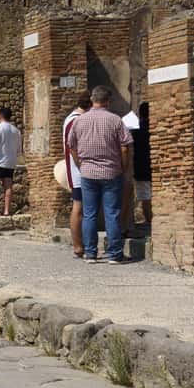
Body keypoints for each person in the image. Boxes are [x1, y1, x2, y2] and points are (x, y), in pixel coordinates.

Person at [67, 85, 134, 264]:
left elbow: (71, 146)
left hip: (88, 173)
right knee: (112, 213)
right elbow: (125, 146)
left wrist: (80, 164)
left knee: (89, 214)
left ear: (92, 100)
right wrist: (124, 167)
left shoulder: (79, 121)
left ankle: (90, 253)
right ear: (108, 101)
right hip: (112, 171)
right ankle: (114, 254)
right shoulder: (115, 120)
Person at [63, 93, 92, 258]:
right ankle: (78, 245)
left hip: (79, 170)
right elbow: (72, 146)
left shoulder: (72, 119)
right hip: (78, 172)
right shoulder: (75, 121)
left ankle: (82, 244)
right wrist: (82, 166)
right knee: (79, 207)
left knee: (81, 207)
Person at [131, 102, 153, 231]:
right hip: (155, 166)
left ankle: (149, 221)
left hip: (140, 166)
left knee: (145, 197)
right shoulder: (154, 126)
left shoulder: (136, 128)